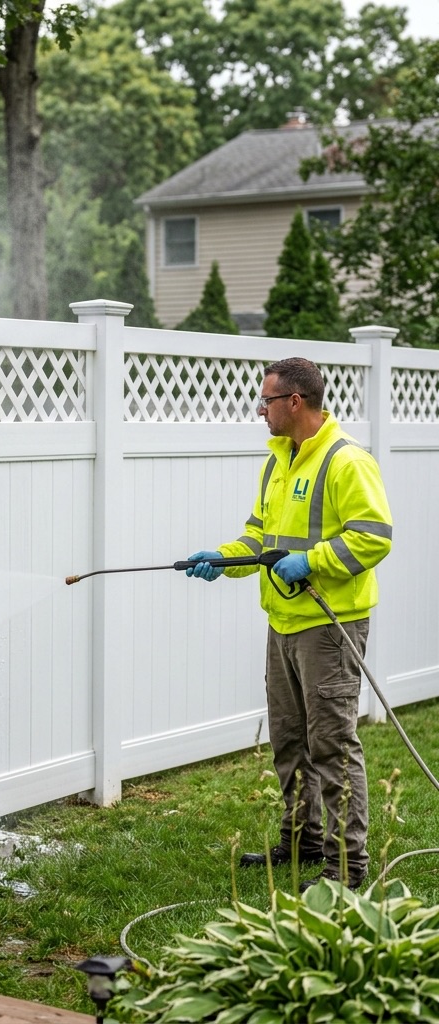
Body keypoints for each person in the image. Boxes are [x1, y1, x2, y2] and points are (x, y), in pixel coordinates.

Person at [187, 357, 392, 891]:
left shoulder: (347, 462)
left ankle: (346, 869)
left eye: (267, 401)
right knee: (290, 740)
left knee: (332, 745)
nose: (261, 410)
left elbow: (374, 536)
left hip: (330, 626)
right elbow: (259, 540)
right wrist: (226, 559)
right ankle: (302, 840)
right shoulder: (278, 462)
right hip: (283, 621)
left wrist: (314, 562)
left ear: (295, 402)